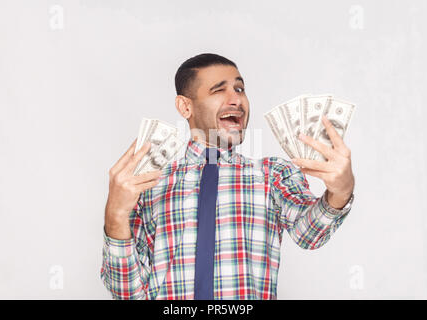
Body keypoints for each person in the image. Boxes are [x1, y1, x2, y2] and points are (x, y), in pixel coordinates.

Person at [100, 53, 355, 300]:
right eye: (219, 90)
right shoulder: (148, 184)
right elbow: (127, 294)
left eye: (240, 89)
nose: (237, 100)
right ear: (185, 106)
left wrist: (340, 192)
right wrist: (115, 216)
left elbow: (309, 234)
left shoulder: (272, 175)